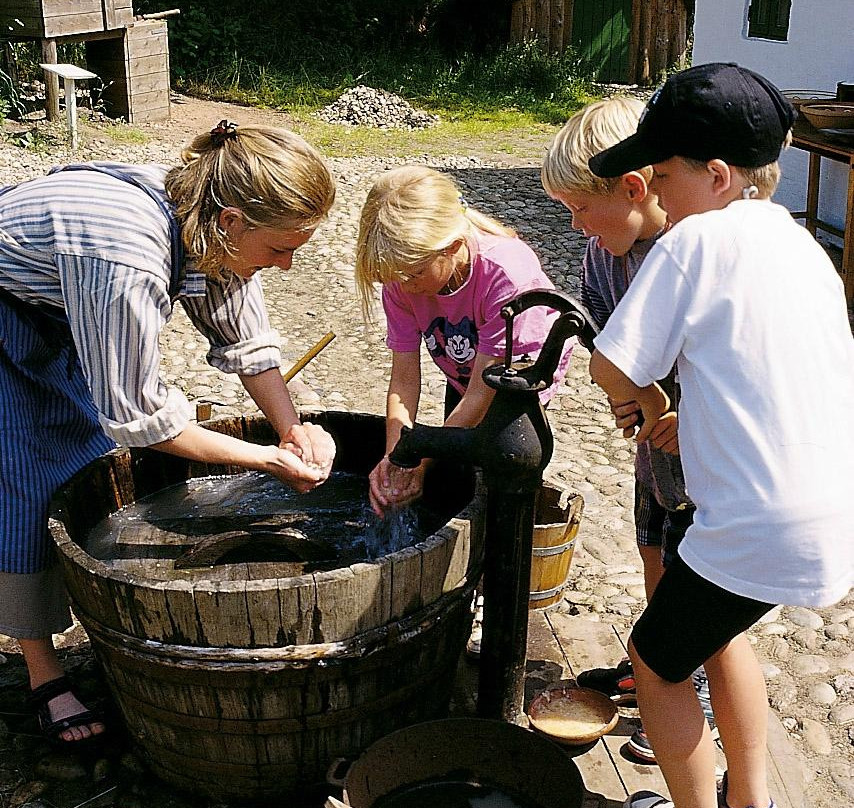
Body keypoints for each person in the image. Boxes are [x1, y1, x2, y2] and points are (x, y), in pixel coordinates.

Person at [0, 121, 338, 746]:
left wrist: (291, 427)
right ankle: (41, 669)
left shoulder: (206, 222)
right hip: (6, 315)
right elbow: (140, 420)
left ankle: (83, 607)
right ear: (233, 222)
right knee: (25, 483)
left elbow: (246, 340)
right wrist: (266, 461)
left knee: (86, 462)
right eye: (281, 248)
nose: (287, 266)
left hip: (52, 308)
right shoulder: (126, 254)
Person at [586, 63, 854, 808]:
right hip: (829, 513)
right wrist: (688, 414)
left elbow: (611, 366)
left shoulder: (693, 241)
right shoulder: (804, 248)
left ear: (717, 174)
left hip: (754, 524)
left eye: (664, 174)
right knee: (710, 636)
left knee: (655, 660)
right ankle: (750, 798)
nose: (659, 192)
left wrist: (643, 395)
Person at [541, 96, 714, 765]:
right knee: (653, 557)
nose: (577, 224)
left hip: (709, 457)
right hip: (655, 454)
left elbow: (723, 361)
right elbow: (610, 341)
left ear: (636, 187)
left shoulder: (691, 253)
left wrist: (682, 413)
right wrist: (631, 400)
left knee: (698, 582)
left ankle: (689, 690)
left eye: (582, 207)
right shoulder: (601, 256)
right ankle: (656, 667)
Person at [355, 164, 574, 518]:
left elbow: (481, 396)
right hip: (465, 372)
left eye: (413, 274)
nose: (405, 286)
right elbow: (404, 379)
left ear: (452, 247)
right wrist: (396, 456)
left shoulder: (506, 278)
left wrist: (420, 461)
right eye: (395, 276)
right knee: (454, 471)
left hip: (513, 393)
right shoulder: (403, 275)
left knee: (505, 474)